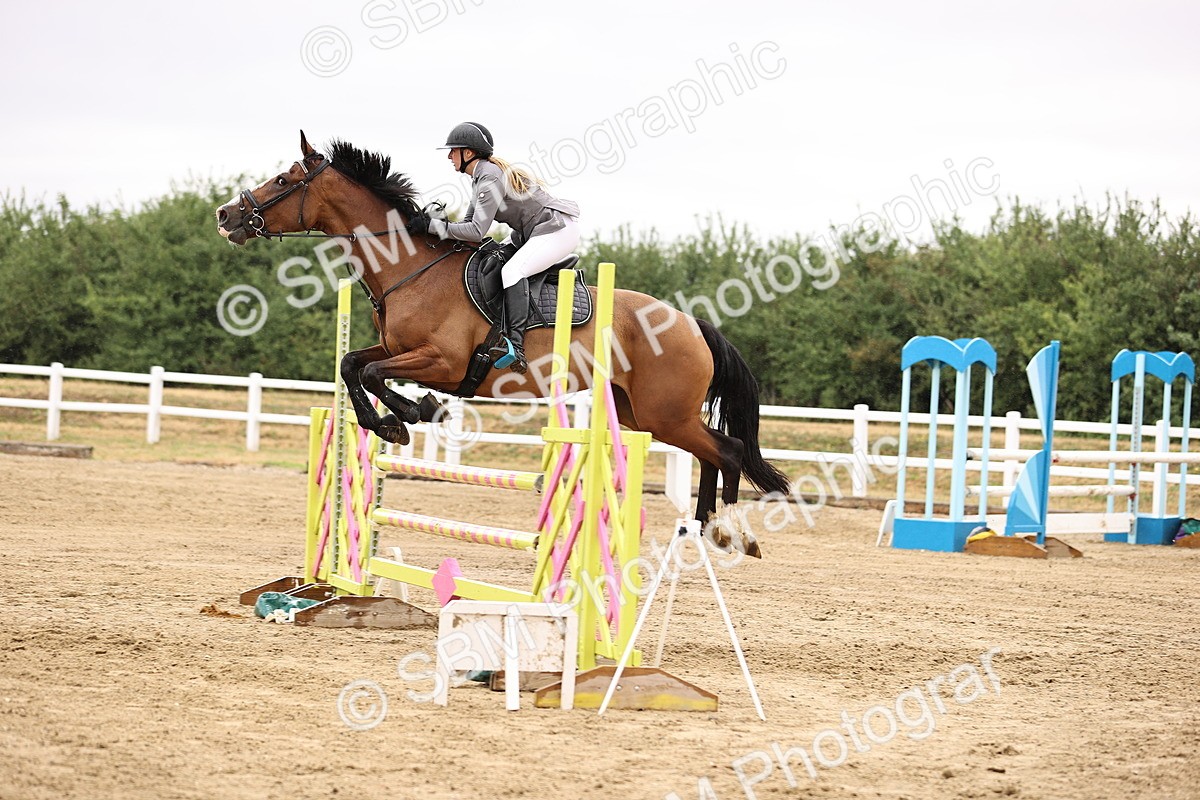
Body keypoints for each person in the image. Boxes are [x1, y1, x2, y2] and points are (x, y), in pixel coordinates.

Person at [407, 122, 580, 374]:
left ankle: (516, 346)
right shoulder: (480, 177)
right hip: (531, 232)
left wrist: (432, 226)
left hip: (557, 230)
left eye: (453, 150)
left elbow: (477, 231)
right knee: (495, 260)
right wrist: (430, 227)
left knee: (512, 272)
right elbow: (467, 227)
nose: (449, 156)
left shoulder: (489, 175)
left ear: (468, 153)